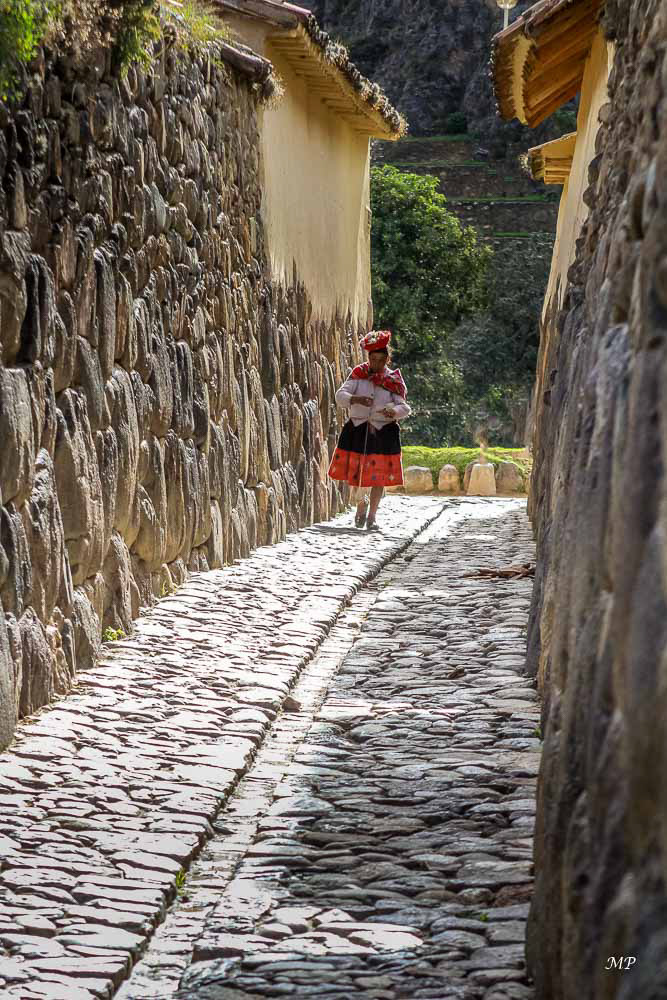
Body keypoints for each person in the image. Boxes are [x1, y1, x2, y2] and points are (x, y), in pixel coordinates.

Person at [328, 329, 411, 531]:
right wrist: (355, 399)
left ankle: (372, 516)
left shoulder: (393, 380)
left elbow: (404, 407)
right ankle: (360, 508)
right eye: (373, 359)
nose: (376, 365)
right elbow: (340, 397)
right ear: (369, 358)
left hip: (382, 433)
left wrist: (392, 411)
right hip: (358, 430)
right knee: (358, 473)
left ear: (387, 359)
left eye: (381, 361)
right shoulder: (358, 375)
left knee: (378, 477)